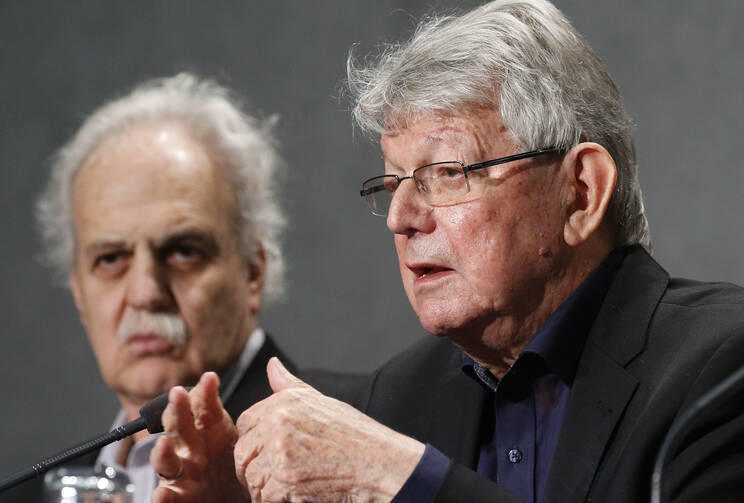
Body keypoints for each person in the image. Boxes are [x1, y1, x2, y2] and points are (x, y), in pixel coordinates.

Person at [148, 1, 744, 502]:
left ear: (580, 193)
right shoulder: (398, 397)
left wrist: (408, 483)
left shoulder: (720, 372)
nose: (402, 219)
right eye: (392, 185)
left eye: (448, 174)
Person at [6, 73, 295, 503]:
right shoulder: (24, 496)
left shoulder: (355, 434)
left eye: (182, 251)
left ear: (253, 271)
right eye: (110, 259)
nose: (145, 293)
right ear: (78, 292)